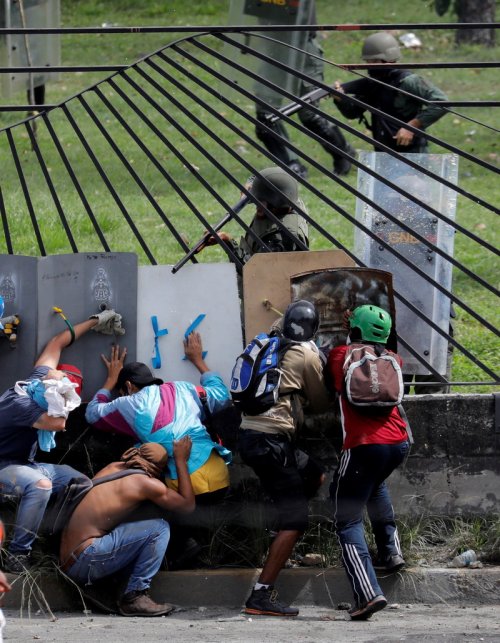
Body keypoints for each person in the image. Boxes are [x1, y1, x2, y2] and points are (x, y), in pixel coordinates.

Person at [0, 309, 124, 574]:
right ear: (50, 395)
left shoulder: (38, 380)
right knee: (41, 485)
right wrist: (63, 398)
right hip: (4, 467)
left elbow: (57, 342)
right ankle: (18, 555)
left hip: (24, 463)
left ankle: (50, 536)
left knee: (80, 482)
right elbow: (58, 424)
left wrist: (95, 321)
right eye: (65, 399)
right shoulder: (20, 404)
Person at [237, 300, 331, 617]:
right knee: (296, 520)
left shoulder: (266, 343)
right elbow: (320, 401)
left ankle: (280, 541)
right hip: (271, 442)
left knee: (314, 474)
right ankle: (260, 596)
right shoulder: (305, 353)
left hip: (251, 435)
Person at [326, 305, 410, 621]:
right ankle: (391, 551)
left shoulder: (340, 356)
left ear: (354, 329)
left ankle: (367, 594)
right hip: (398, 444)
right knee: (374, 484)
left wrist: (348, 334)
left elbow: (333, 384)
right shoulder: (394, 359)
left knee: (346, 520)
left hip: (362, 446)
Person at [85, 332, 231, 502]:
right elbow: (221, 395)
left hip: (185, 487)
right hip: (220, 474)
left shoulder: (128, 403)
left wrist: (110, 381)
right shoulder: (183, 388)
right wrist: (198, 360)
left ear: (128, 386)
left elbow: (92, 413)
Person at [59, 439, 195, 616]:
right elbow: (187, 506)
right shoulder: (145, 483)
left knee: (137, 525)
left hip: (69, 560)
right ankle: (134, 597)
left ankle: (106, 586)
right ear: (158, 468)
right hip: (86, 560)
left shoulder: (113, 467)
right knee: (158, 528)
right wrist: (180, 460)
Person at [254, 0, 354, 178]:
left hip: (301, 49)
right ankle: (291, 165)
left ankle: (342, 153)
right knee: (265, 116)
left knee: (309, 114)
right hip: (272, 48)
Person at [333, 32, 448, 153]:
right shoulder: (374, 83)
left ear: (388, 59)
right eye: (368, 61)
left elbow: (441, 102)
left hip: (413, 154)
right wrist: (340, 99)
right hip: (383, 151)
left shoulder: (408, 81)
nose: (369, 66)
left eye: (374, 61)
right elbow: (352, 112)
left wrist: (411, 127)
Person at [203, 167, 309, 268]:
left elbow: (255, 272)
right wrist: (251, 185)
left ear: (277, 204)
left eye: (262, 204)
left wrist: (228, 242)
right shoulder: (287, 198)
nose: (258, 208)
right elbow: (272, 177)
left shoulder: (284, 237)